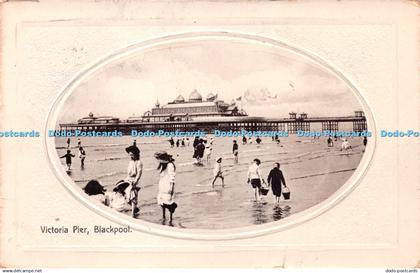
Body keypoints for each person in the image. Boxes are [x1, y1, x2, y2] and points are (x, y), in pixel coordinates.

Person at [154, 151, 177, 224]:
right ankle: (163, 216)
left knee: (168, 203)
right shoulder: (164, 164)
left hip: (167, 186)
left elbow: (172, 177)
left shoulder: (170, 165)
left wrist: (171, 188)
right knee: (162, 202)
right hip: (163, 186)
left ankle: (170, 218)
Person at [125, 145, 143, 217]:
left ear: (135, 153)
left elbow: (139, 173)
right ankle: (135, 208)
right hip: (128, 179)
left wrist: (135, 181)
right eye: (129, 153)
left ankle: (133, 213)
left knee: (133, 197)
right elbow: (128, 172)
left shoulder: (139, 162)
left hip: (134, 180)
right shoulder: (130, 162)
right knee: (127, 196)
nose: (130, 154)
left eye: (131, 153)